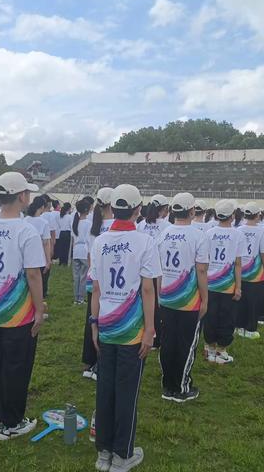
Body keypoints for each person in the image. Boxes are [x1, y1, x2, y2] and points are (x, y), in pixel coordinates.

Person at [90, 184, 160, 472]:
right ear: (137, 209)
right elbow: (147, 290)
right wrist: (150, 330)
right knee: (126, 391)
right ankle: (121, 455)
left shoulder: (100, 241)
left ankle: (103, 452)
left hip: (106, 325)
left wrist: (94, 324)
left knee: (105, 388)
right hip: (131, 331)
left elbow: (95, 289)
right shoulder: (145, 242)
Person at [0, 171, 45, 441]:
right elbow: (33, 274)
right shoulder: (26, 229)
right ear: (21, 196)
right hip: (17, 314)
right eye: (27, 192)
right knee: (16, 365)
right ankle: (12, 421)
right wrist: (39, 308)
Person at [157, 192, 208, 403]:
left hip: (166, 296)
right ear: (192, 211)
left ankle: (168, 384)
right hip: (189, 300)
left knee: (168, 340)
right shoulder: (198, 235)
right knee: (186, 343)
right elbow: (202, 271)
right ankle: (180, 387)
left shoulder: (163, 233)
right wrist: (205, 299)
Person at [204, 199, 245, 364]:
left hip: (210, 283)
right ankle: (221, 351)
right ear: (232, 216)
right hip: (227, 284)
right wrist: (238, 287)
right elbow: (237, 263)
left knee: (210, 316)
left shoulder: (209, 233)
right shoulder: (237, 234)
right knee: (226, 318)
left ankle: (209, 349)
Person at [82, 188, 115, 381]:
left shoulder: (92, 225)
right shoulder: (116, 226)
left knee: (92, 320)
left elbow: (89, 256)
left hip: (93, 279)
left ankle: (89, 362)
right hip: (109, 283)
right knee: (107, 322)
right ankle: (101, 363)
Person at [137, 194, 170, 348]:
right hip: (157, 270)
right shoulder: (166, 225)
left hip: (140, 269)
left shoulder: (141, 224)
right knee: (156, 304)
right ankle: (156, 338)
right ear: (164, 209)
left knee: (142, 302)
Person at [236, 202, 264, 340]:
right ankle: (250, 328)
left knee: (240, 300)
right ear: (257, 216)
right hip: (255, 273)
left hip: (239, 271)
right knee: (253, 301)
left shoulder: (238, 229)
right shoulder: (261, 231)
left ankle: (238, 326)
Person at [25, 196, 52, 299]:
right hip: (39, 258)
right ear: (41, 207)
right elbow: (46, 243)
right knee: (39, 285)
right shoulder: (43, 222)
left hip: (26, 257)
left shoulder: (25, 220)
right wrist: (48, 260)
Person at [71, 199, 92, 305]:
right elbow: (89, 239)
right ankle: (81, 298)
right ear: (86, 210)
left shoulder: (75, 222)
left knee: (76, 276)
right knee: (83, 276)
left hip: (76, 251)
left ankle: (76, 298)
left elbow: (73, 238)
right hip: (84, 250)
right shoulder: (88, 223)